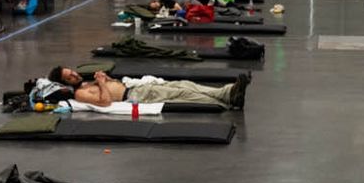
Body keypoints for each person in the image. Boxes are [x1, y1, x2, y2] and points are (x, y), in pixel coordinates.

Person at [46, 66, 248, 110]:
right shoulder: (81, 93)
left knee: (185, 84)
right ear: (67, 83)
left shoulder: (88, 82)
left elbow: (112, 85)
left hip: (138, 87)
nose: (73, 74)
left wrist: (106, 78)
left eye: (71, 70)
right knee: (181, 93)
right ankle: (225, 100)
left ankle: (227, 92)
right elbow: (105, 102)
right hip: (134, 96)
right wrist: (101, 83)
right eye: (69, 76)